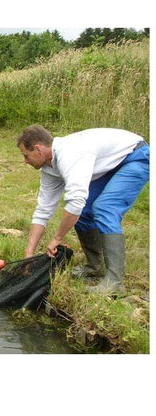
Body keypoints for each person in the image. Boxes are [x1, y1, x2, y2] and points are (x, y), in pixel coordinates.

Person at [17, 125, 149, 295]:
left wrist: (57, 238)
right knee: (85, 212)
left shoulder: (70, 154)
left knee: (104, 207)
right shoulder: (49, 168)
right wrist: (29, 254)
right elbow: (43, 210)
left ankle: (115, 282)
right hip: (110, 164)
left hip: (135, 156)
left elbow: (75, 202)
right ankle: (96, 266)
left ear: (38, 149)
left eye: (26, 156)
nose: (25, 161)